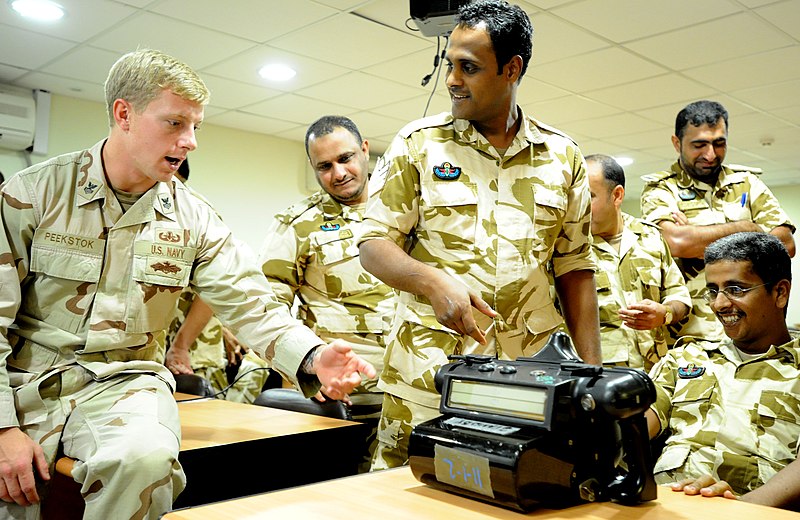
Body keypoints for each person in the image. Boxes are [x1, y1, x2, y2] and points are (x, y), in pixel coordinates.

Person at [0, 49, 375, 519]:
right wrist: (1, 430)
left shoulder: (194, 218)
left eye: (196, 126)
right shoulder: (34, 195)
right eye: (175, 123)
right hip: (22, 380)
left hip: (124, 381)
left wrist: (313, 355)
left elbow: (251, 303)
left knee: (144, 461)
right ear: (124, 115)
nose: (191, 141)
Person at [358, 0, 601, 470]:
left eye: (468, 67)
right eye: (450, 64)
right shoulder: (419, 144)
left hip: (529, 380)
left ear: (512, 69)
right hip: (431, 374)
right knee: (401, 498)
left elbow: (575, 269)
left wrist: (590, 376)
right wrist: (432, 281)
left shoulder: (562, 156)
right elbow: (373, 246)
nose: (452, 79)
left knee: (515, 490)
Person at [258, 115, 395, 471]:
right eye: (324, 166)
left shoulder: (403, 210)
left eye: (346, 158)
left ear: (365, 150)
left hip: (414, 387)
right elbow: (266, 307)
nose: (338, 173)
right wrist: (304, 366)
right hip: (347, 397)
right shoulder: (298, 223)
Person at [646, 232, 800, 509]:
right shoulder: (685, 358)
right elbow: (636, 424)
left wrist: (741, 508)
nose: (719, 304)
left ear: (780, 293)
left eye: (736, 289)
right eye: (713, 291)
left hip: (757, 510)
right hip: (666, 505)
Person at [640, 100, 795, 345]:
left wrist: (696, 234)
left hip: (753, 334)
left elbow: (785, 244)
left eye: (719, 143)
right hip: (691, 336)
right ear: (677, 143)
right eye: (699, 145)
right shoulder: (661, 189)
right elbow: (677, 242)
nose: (710, 154)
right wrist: (749, 228)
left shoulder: (746, 182)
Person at [164, 159, 271, 404]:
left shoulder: (196, 211)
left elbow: (213, 289)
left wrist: (181, 345)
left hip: (193, 355)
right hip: (154, 353)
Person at [586, 154, 691, 371]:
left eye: (589, 197)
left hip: (654, 373)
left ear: (617, 195)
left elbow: (679, 296)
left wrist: (664, 313)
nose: (580, 207)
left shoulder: (650, 237)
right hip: (598, 377)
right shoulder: (569, 246)